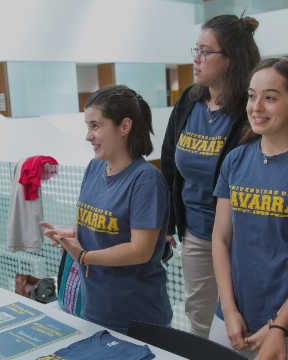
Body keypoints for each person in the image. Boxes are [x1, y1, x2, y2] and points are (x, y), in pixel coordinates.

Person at [40, 85, 172, 334]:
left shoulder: (146, 180)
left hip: (137, 318)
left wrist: (83, 257)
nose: (88, 136)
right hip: (93, 309)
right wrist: (70, 230)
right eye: (87, 126)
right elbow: (86, 217)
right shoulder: (94, 167)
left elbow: (139, 251)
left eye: (95, 126)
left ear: (124, 127)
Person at [160, 13, 261, 338]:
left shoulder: (253, 110)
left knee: (244, 322)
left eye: (206, 51)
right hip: (198, 236)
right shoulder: (189, 101)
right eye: (196, 49)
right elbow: (170, 167)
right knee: (200, 320)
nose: (196, 58)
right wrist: (169, 223)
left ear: (231, 58)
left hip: (244, 240)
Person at [210, 57, 288, 359]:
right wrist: (229, 311)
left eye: (270, 98)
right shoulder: (235, 160)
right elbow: (220, 239)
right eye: (252, 96)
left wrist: (279, 327)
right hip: (232, 316)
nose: (256, 107)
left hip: (279, 325)